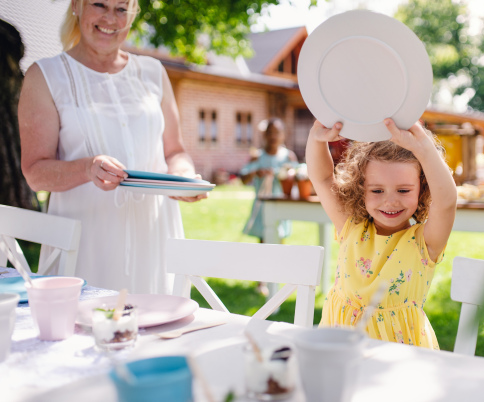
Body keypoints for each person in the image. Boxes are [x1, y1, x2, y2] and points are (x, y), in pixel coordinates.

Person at [18, 0, 205, 293]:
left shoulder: (153, 72)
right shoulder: (45, 75)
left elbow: (175, 151)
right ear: (76, 6)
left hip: (155, 238)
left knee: (159, 332)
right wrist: (87, 168)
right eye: (99, 5)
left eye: (121, 8)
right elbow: (34, 172)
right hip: (84, 244)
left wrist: (182, 178)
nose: (111, 18)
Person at [306, 119, 457, 348]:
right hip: (339, 351)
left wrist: (423, 149)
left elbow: (447, 201)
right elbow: (323, 178)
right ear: (360, 189)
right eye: (377, 190)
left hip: (398, 361)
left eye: (404, 190)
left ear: (423, 188)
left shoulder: (425, 242)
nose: (390, 200)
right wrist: (316, 140)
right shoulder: (351, 227)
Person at [240, 118, 297, 241]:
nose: (273, 136)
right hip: (262, 206)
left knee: (279, 238)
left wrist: (284, 174)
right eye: (270, 132)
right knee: (263, 240)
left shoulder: (288, 156)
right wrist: (256, 172)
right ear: (264, 135)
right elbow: (243, 178)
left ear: (283, 135)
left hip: (281, 205)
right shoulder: (257, 156)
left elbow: (296, 177)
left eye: (277, 132)